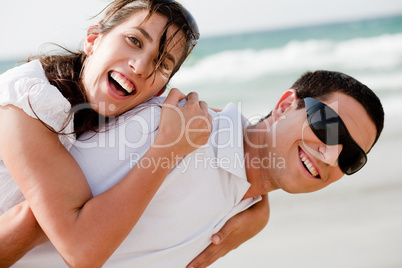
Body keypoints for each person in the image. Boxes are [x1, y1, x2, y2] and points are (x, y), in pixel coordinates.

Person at [5, 70, 384, 267]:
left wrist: (260, 207)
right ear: (286, 104)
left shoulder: (245, 201)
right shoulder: (168, 130)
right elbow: (29, 213)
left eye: (351, 156)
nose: (330, 156)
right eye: (327, 125)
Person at [0, 0, 270, 267]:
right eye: (134, 40)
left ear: (160, 91)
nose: (140, 67)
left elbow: (225, 124)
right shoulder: (25, 101)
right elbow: (81, 251)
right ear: (93, 39)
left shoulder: (118, 113)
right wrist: (166, 149)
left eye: (161, 64)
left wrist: (261, 204)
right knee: (30, 219)